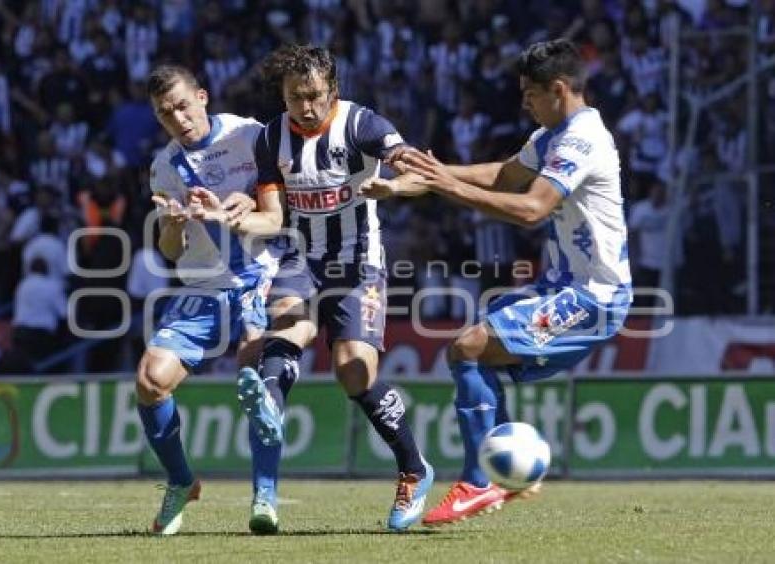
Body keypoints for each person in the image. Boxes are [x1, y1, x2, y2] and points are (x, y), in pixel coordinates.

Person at [362, 39, 632, 525]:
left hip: (594, 297)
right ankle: (510, 473)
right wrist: (436, 171)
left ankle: (479, 482)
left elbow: (531, 208)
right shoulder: (553, 134)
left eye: (530, 93)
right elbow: (505, 175)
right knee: (469, 349)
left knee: (469, 347)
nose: (523, 103)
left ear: (559, 88)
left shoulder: (580, 139)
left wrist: (448, 187)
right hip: (563, 285)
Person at [238, 44, 433, 533]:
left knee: (353, 371)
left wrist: (395, 186)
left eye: (314, 96)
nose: (305, 107)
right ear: (282, 96)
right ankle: (269, 404)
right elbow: (273, 215)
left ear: (333, 91)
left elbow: (419, 173)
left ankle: (413, 467)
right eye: (294, 97)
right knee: (286, 327)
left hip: (358, 262)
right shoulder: (270, 139)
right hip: (301, 258)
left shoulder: (363, 125)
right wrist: (236, 218)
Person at [137, 64, 285, 536]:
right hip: (203, 287)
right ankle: (182, 481)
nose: (178, 118)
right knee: (149, 381)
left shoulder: (249, 136)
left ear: (202, 97)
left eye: (182, 105)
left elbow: (287, 202)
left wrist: (251, 205)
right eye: (166, 114)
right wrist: (176, 225)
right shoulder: (165, 167)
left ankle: (265, 494)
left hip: (261, 275)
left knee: (255, 379)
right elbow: (167, 250)